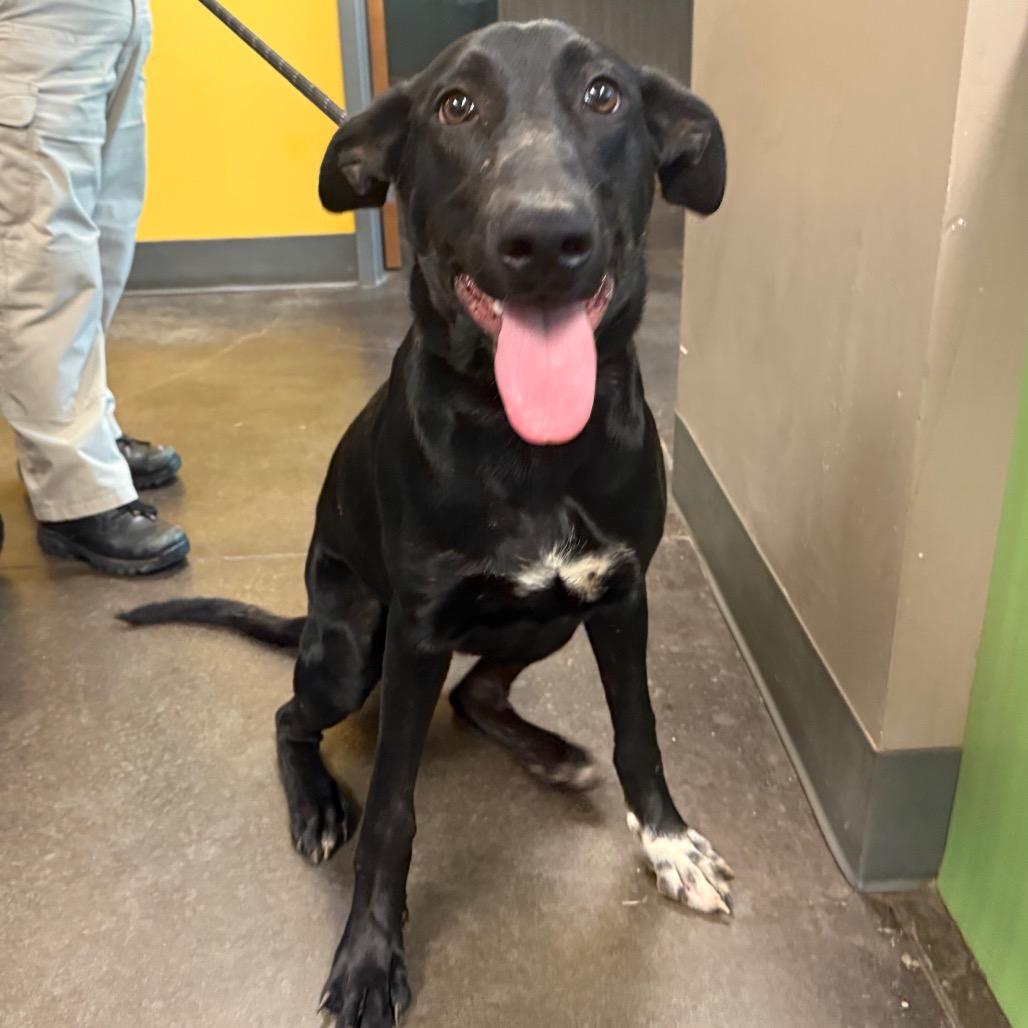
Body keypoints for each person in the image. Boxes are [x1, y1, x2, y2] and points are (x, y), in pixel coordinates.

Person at [0, 0, 189, 575]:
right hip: (37, 24)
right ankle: (74, 488)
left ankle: (87, 429)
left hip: (114, 18)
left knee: (104, 241)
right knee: (46, 260)